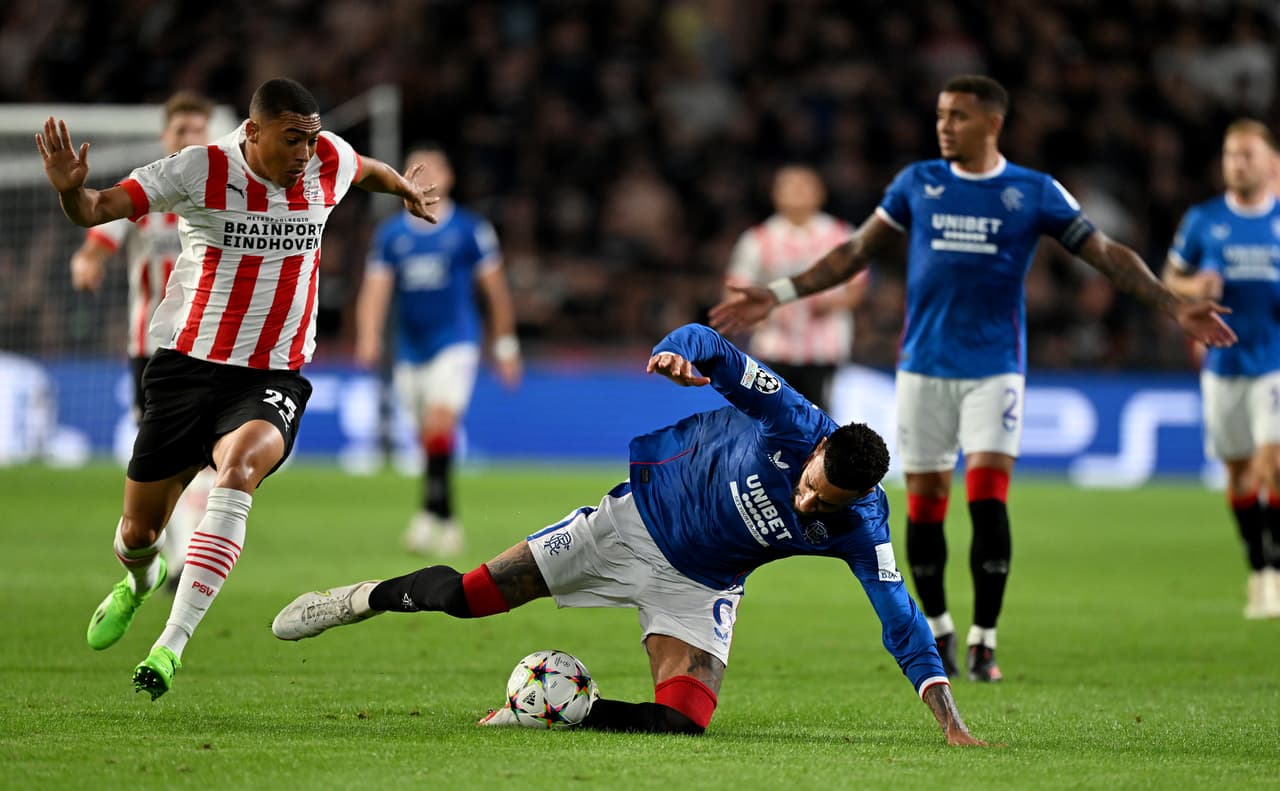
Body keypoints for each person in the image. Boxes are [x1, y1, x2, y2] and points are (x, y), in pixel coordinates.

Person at [709, 75, 1236, 683]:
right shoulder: (918, 183)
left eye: (958, 116)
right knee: (927, 506)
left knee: (988, 503)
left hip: (994, 371)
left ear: (992, 123)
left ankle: (985, 640)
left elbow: (1106, 253)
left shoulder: (1032, 192)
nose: (944, 126)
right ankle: (940, 629)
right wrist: (776, 294)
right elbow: (855, 253)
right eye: (940, 114)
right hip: (923, 370)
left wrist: (1174, 305)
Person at [272, 323, 989, 746]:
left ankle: (562, 710)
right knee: (469, 596)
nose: (806, 498)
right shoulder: (796, 419)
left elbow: (902, 622)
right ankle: (358, 598)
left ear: (858, 498)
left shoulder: (863, 526)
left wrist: (949, 720)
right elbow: (710, 343)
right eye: (808, 480)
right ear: (816, 451)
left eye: (821, 500)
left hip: (703, 582)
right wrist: (678, 354)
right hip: (633, 523)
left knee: (687, 720)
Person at [36, 77, 439, 700]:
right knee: (139, 532)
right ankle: (139, 582)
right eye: (291, 138)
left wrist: (406, 188)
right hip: (186, 369)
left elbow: (369, 169)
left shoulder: (327, 158)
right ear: (253, 131)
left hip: (273, 375)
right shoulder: (199, 170)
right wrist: (69, 192)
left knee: (239, 471)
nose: (305, 151)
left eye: (310, 137)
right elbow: (96, 209)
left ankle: (170, 646)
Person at [69, 90, 217, 586]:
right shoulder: (147, 190)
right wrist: (87, 260)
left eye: (198, 131)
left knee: (210, 459)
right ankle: (177, 556)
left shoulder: (227, 193)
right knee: (162, 462)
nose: (190, 140)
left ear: (210, 135)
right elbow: (100, 235)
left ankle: (182, 559)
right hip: (151, 349)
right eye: (181, 132)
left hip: (214, 344)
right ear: (165, 137)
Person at [355, 142, 521, 556]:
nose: (426, 179)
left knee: (440, 423)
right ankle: (439, 515)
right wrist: (368, 334)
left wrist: (504, 344)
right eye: (417, 171)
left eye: (435, 171)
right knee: (428, 435)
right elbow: (376, 290)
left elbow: (495, 290)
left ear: (449, 178)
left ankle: (437, 521)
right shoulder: (392, 234)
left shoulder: (469, 229)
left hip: (457, 340)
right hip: (410, 346)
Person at [1163, 119, 1280, 619]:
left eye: (1248, 154)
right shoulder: (1203, 220)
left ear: (1271, 162)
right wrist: (1195, 290)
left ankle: (1274, 570)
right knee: (1238, 475)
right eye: (1232, 154)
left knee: (1272, 467)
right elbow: (1171, 277)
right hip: (1222, 364)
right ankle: (1257, 568)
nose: (1238, 162)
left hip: (1274, 361)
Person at [723, 164, 869, 412]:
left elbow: (858, 285)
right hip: (774, 346)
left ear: (820, 193)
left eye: (804, 186)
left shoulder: (840, 235)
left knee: (820, 419)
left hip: (825, 350)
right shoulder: (759, 238)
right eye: (789, 186)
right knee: (770, 419)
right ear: (775, 194)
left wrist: (835, 303)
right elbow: (736, 286)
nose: (797, 192)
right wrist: (750, 317)